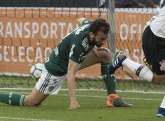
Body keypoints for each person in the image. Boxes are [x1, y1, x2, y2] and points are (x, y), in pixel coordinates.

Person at [0, 18, 132, 109]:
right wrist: (73, 101)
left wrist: (94, 47)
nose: (103, 41)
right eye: (101, 39)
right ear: (92, 34)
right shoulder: (79, 44)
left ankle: (112, 98)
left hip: (72, 61)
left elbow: (80, 19)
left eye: (105, 38)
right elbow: (70, 73)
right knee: (31, 102)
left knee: (105, 55)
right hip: (57, 70)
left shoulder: (90, 26)